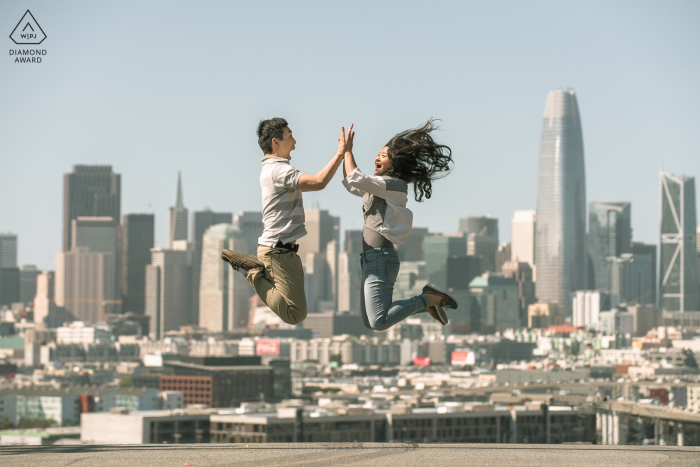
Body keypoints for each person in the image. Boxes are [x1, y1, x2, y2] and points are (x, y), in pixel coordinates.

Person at [221, 117, 348, 325]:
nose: (295, 142)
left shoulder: (274, 170)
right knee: (295, 314)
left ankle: (254, 270)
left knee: (297, 312)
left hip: (284, 252)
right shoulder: (278, 170)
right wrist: (340, 154)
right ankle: (252, 272)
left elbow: (314, 184)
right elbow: (319, 182)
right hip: (277, 251)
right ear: (275, 142)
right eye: (290, 136)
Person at [341, 120, 458, 331]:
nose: (377, 157)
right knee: (370, 322)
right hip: (370, 259)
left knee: (379, 320)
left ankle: (427, 299)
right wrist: (344, 155)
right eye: (378, 154)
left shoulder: (394, 185)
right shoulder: (377, 188)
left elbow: (355, 178)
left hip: (380, 258)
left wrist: (348, 151)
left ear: (395, 163)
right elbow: (352, 183)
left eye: (383, 156)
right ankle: (426, 305)